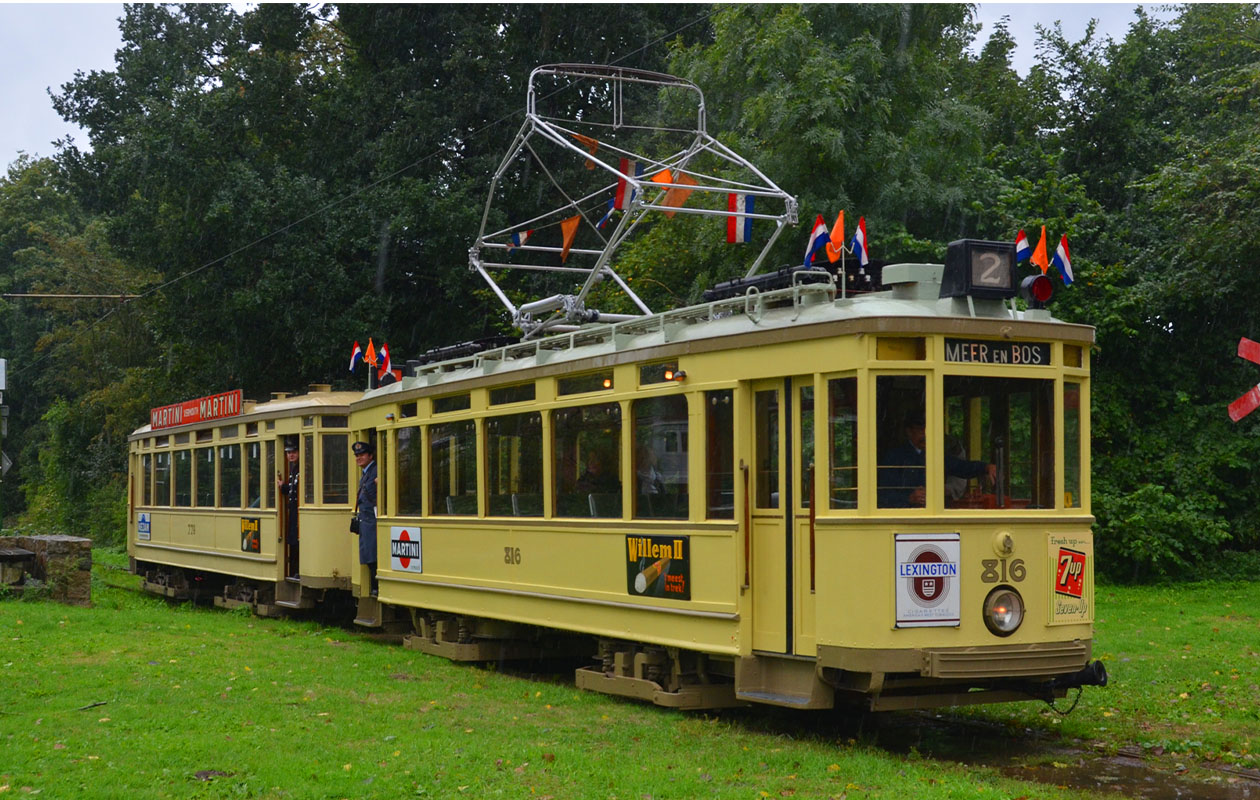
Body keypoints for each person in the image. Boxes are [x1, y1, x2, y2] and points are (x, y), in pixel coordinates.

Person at [878, 415, 996, 508]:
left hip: (931, 518)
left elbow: (960, 467)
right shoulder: (894, 457)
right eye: (921, 430)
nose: (926, 435)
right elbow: (882, 494)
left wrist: (985, 467)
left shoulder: (934, 455)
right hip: (903, 519)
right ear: (909, 432)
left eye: (928, 430)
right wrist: (909, 498)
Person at [352, 440, 379, 596]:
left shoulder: (375, 471)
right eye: (357, 456)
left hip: (372, 520)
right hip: (366, 521)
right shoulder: (365, 473)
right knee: (368, 554)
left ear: (370, 456)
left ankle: (376, 587)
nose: (358, 458)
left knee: (373, 554)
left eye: (362, 455)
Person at [276, 438, 300, 576]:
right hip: (293, 512)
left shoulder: (301, 468)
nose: (291, 455)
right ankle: (294, 570)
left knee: (297, 541)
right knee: (293, 540)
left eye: (294, 452)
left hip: (298, 512)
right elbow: (292, 490)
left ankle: (297, 570)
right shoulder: (293, 468)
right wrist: (283, 487)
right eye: (288, 452)